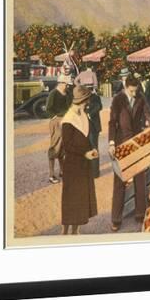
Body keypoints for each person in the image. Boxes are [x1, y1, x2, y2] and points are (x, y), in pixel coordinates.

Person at [108, 76, 150, 231]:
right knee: (120, 182)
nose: (134, 93)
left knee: (140, 179)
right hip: (122, 143)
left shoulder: (140, 97)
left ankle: (140, 214)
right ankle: (116, 219)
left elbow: (149, 114)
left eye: (136, 90)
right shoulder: (118, 100)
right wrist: (111, 143)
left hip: (137, 143)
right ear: (125, 86)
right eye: (132, 90)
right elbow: (112, 122)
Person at [60, 85, 99, 235]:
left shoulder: (82, 114)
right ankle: (64, 231)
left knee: (81, 197)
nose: (87, 104)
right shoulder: (68, 120)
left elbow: (86, 137)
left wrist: (92, 148)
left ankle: (75, 230)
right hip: (73, 164)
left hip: (84, 163)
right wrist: (84, 154)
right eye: (85, 101)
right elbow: (67, 145)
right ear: (80, 100)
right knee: (71, 198)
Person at [46, 76, 73, 184]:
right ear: (60, 83)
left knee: (63, 147)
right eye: (66, 84)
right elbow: (48, 108)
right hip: (57, 121)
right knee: (55, 147)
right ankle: (51, 174)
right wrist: (55, 118)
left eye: (68, 84)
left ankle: (62, 171)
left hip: (66, 121)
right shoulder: (53, 93)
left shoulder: (67, 93)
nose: (67, 86)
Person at [84, 84, 103, 178]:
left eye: (89, 89)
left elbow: (99, 107)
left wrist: (89, 114)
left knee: (94, 148)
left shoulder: (95, 97)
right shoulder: (83, 98)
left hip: (94, 127)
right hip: (84, 127)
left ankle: (95, 172)